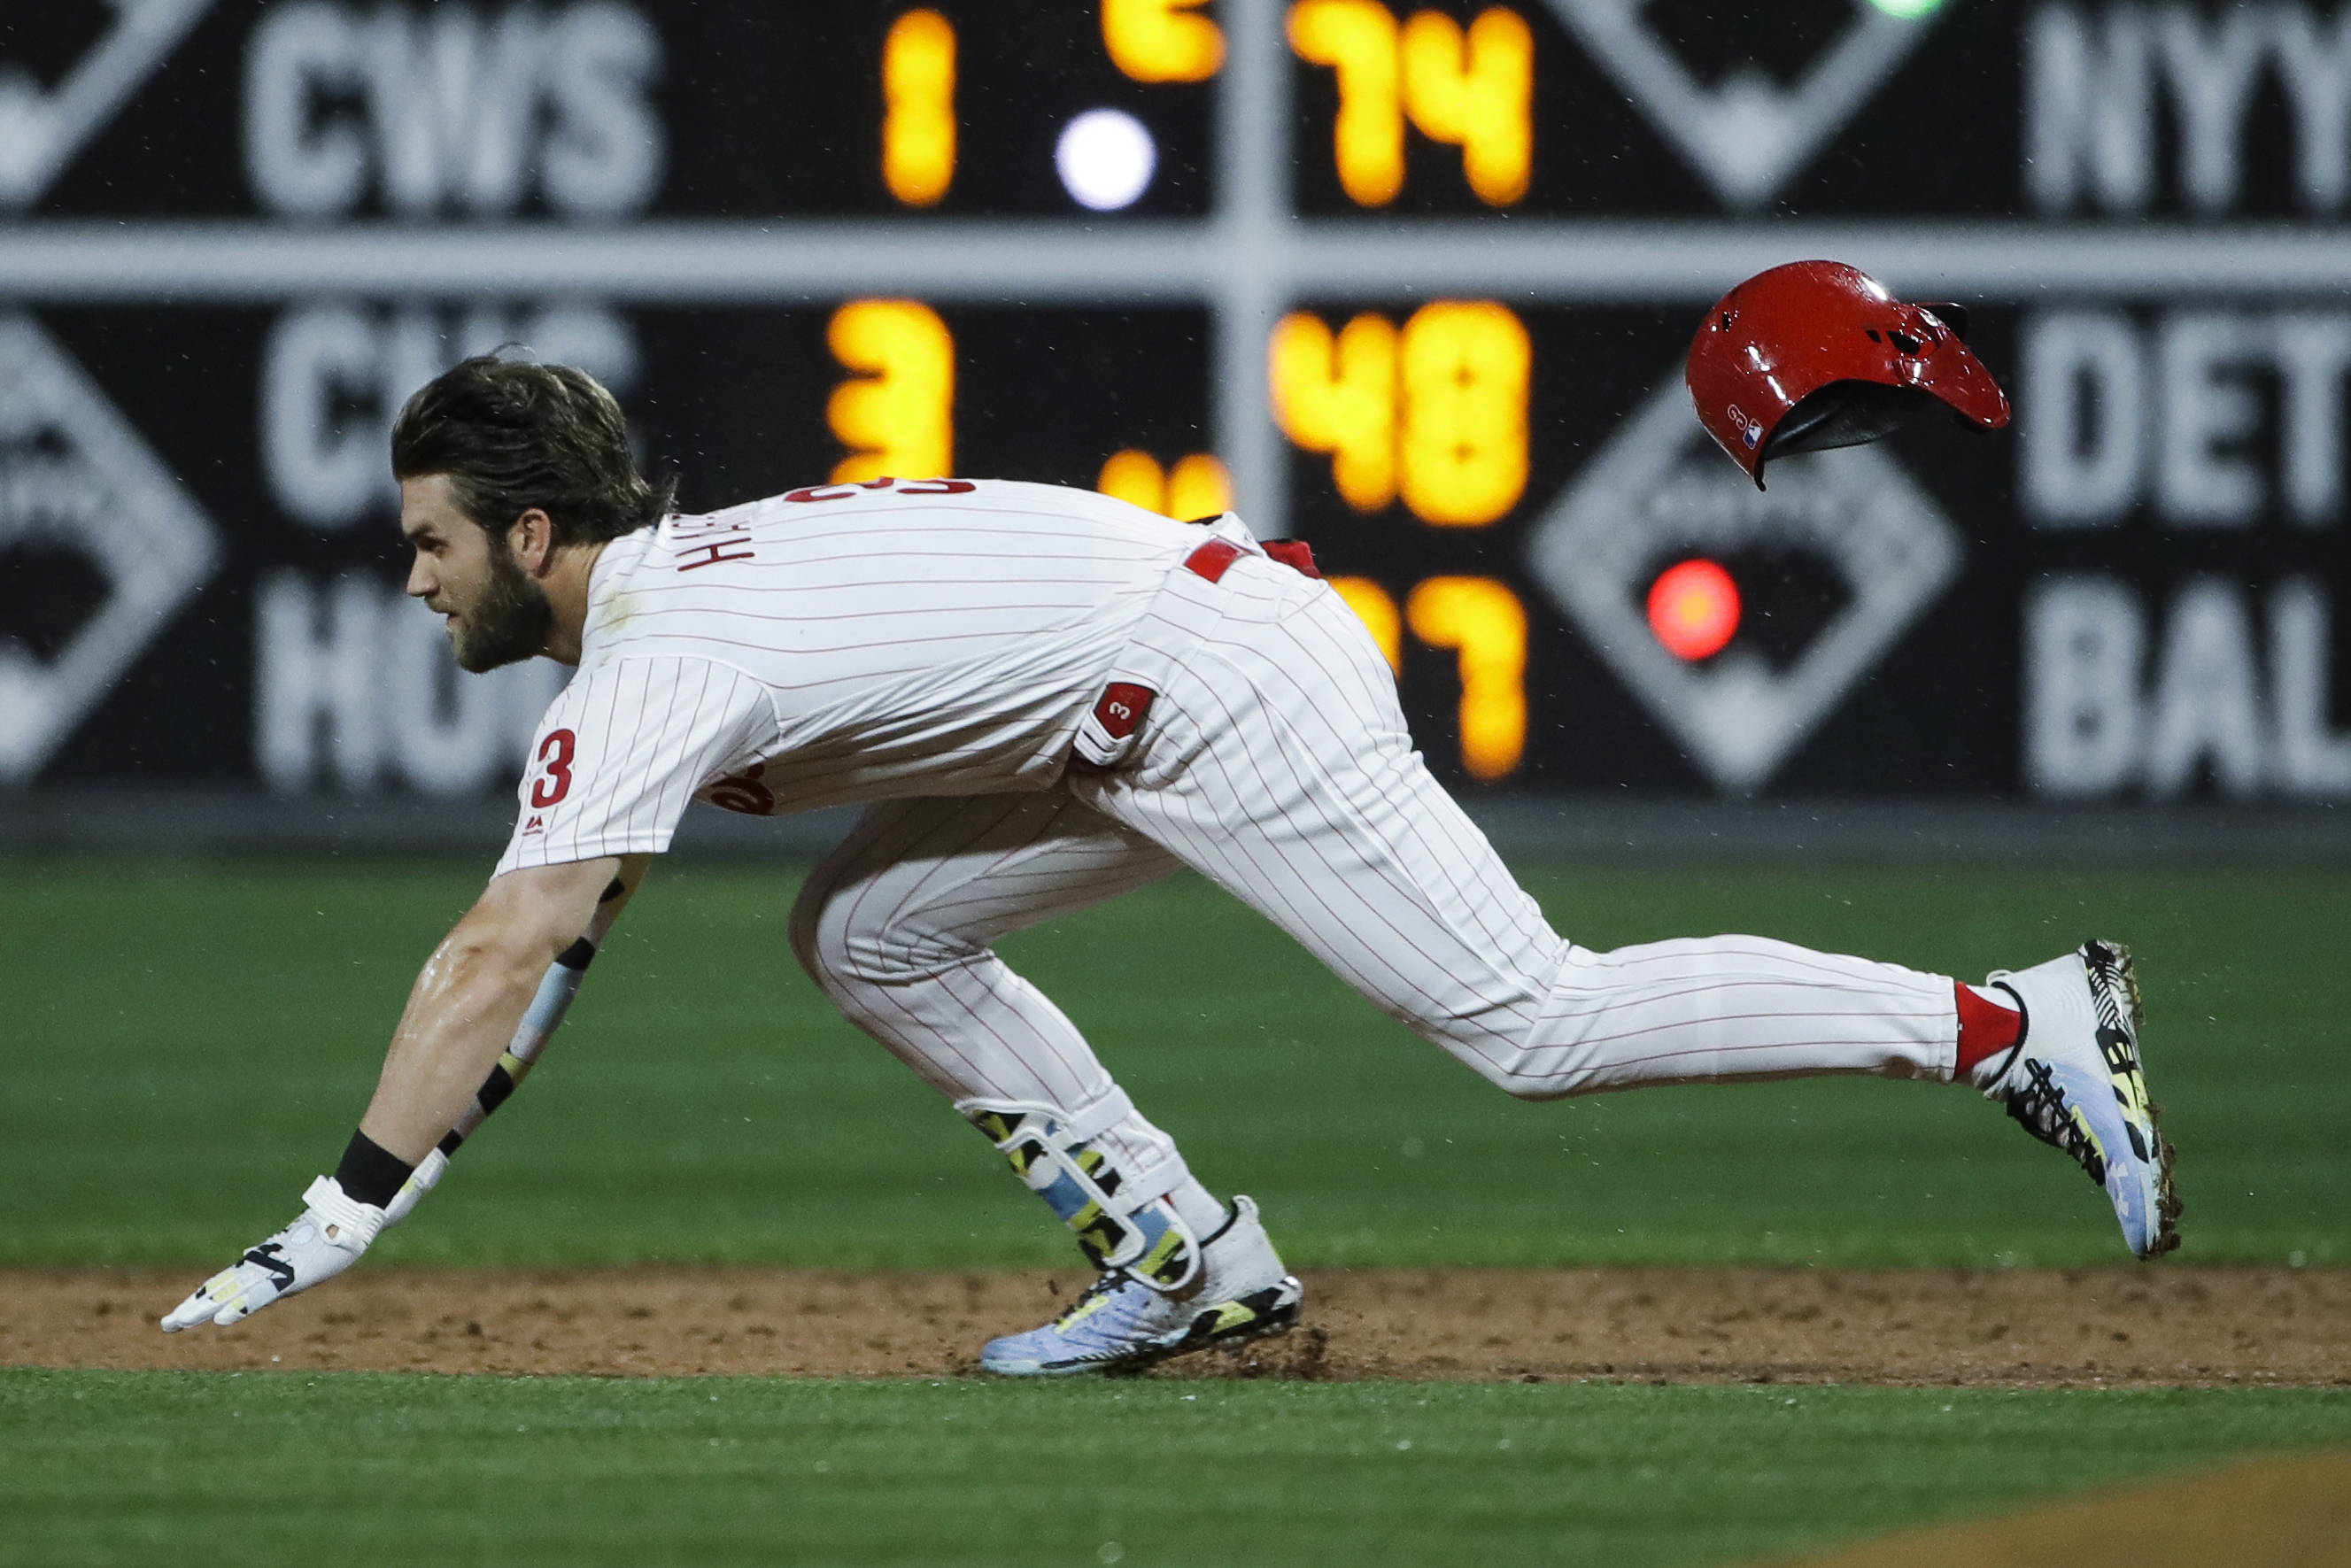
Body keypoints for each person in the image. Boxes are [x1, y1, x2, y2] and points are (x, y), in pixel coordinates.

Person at [163, 264, 2181, 1374]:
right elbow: (543, 960)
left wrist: (333, 1215)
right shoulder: (680, 615)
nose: (413, 577)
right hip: (1124, 697)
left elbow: (503, 953)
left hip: (1211, 689)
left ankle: (2014, 1023)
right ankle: (1190, 1261)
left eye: (433, 540)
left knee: (1528, 1025)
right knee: (867, 934)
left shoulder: (657, 657)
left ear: (533, 529)